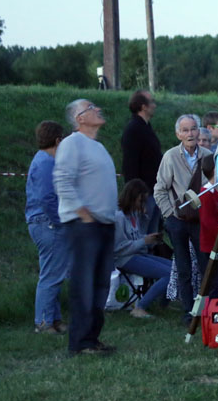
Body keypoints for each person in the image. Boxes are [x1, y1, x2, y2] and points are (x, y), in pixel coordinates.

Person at [53, 98, 118, 355]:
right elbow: (62, 180)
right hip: (84, 225)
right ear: (80, 118)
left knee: (100, 285)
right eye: (92, 108)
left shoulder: (98, 147)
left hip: (103, 224)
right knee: (84, 285)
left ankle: (91, 338)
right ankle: (79, 343)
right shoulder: (72, 143)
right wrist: (83, 213)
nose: (99, 109)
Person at [153, 113, 213, 324]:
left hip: (202, 220)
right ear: (178, 134)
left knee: (207, 265)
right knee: (183, 267)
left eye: (193, 129)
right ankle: (189, 311)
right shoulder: (170, 156)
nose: (190, 133)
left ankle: (210, 308)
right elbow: (160, 189)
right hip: (178, 221)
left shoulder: (207, 155)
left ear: (199, 131)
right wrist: (170, 215)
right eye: (185, 130)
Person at [25, 120, 69, 334]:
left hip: (44, 222)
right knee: (51, 275)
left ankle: (53, 318)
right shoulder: (46, 163)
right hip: (47, 223)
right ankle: (43, 322)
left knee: (54, 272)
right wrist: (59, 221)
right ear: (58, 140)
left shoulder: (43, 160)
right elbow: (47, 197)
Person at [113, 180, 170, 319]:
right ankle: (140, 307)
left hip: (137, 254)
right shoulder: (118, 217)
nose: (143, 204)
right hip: (125, 258)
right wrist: (144, 241)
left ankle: (162, 304)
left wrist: (150, 239)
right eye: (141, 201)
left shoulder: (134, 215)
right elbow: (119, 248)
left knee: (176, 269)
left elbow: (136, 238)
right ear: (131, 198)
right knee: (168, 274)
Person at [120, 90, 162, 232]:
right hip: (143, 195)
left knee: (152, 235)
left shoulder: (145, 128)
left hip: (152, 192)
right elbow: (130, 166)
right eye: (152, 102)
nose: (155, 105)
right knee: (142, 235)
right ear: (143, 106)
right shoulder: (133, 130)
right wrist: (137, 197)